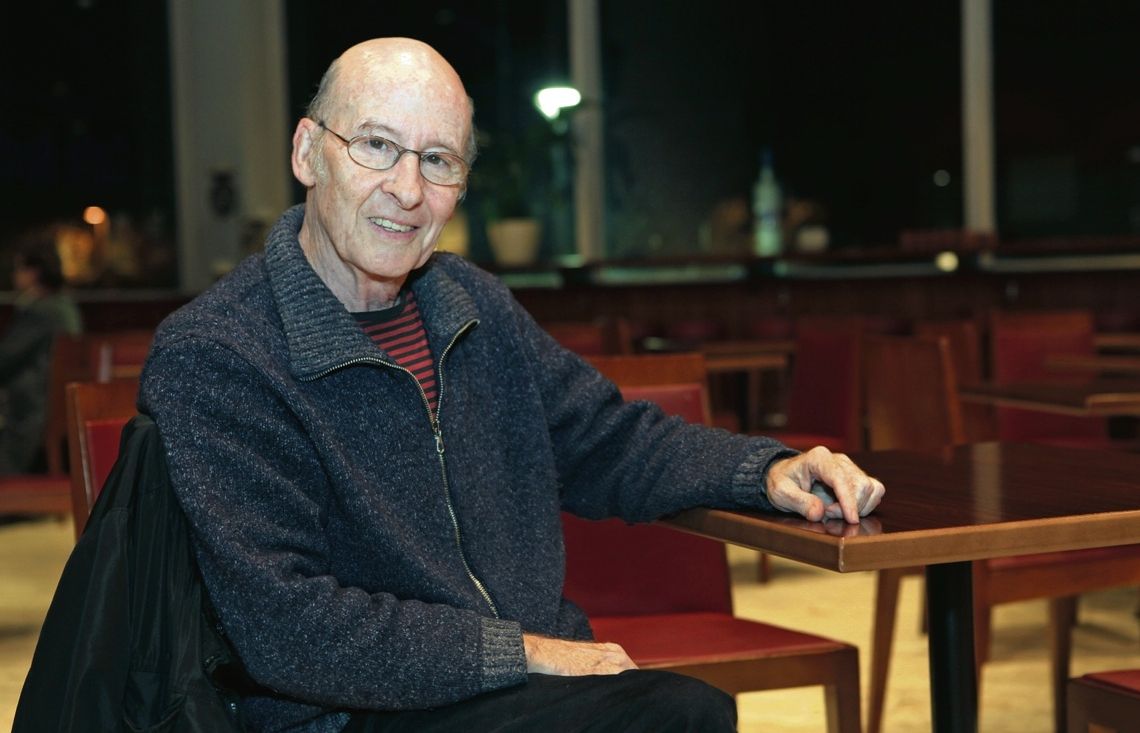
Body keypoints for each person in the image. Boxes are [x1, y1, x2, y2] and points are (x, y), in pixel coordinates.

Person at [139, 37, 884, 733]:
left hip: (516, 689)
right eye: (376, 146)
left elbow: (607, 439)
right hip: (346, 710)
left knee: (677, 711)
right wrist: (521, 651)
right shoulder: (220, 353)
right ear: (308, 151)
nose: (407, 189)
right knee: (674, 716)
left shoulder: (468, 304)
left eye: (438, 160)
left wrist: (766, 469)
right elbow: (288, 628)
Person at [0, 230, 82, 474]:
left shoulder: (43, 311)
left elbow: (4, 360)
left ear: (34, 272)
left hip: (32, 410)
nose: (14, 275)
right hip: (51, 403)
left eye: (18, 269)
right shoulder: (65, 306)